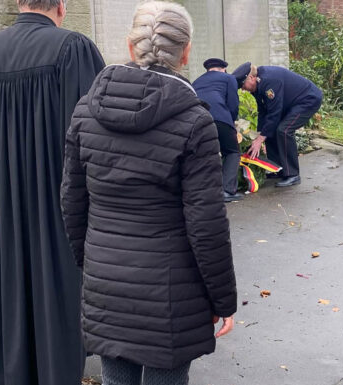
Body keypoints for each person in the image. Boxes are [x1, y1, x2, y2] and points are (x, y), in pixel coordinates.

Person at [60, 2, 237, 384]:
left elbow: (72, 203)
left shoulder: (85, 112)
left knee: (116, 378)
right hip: (171, 291)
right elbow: (206, 222)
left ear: (130, 46)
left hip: (106, 279)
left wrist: (92, 264)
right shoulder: (195, 121)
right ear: (186, 52)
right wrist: (222, 299)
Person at [0, 0, 105, 383]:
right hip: (58, 199)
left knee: (7, 286)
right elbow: (95, 133)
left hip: (0, 200)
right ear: (61, 6)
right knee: (58, 288)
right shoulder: (74, 49)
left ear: (19, 2)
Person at [231, 62, 322, 187]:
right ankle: (277, 169)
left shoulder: (269, 82)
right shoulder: (257, 85)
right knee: (268, 131)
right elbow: (263, 110)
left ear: (251, 78)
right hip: (291, 103)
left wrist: (260, 139)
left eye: (242, 84)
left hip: (307, 100)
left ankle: (292, 174)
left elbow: (275, 113)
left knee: (284, 130)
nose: (242, 88)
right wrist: (259, 135)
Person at [193, 58, 242, 202]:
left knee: (205, 155)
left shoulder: (196, 82)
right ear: (223, 69)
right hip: (220, 118)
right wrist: (232, 122)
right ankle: (227, 191)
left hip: (198, 121)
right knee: (232, 152)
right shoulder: (228, 78)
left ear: (208, 70)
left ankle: (205, 191)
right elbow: (233, 103)